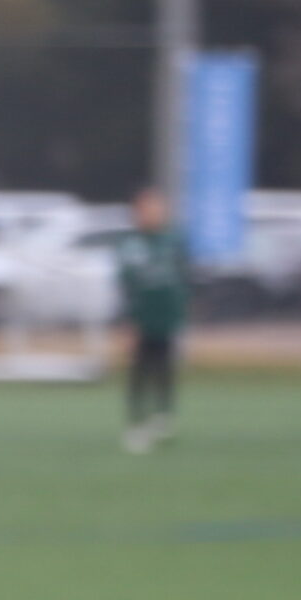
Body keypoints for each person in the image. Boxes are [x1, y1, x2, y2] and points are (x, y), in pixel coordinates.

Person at [113, 185, 190, 454]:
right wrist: (127, 321)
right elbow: (125, 284)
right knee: (139, 371)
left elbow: (185, 278)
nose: (154, 213)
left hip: (167, 317)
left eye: (158, 207)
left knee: (165, 367)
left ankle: (163, 416)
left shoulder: (173, 241)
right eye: (147, 208)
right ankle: (136, 422)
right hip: (141, 319)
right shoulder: (130, 244)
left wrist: (184, 312)